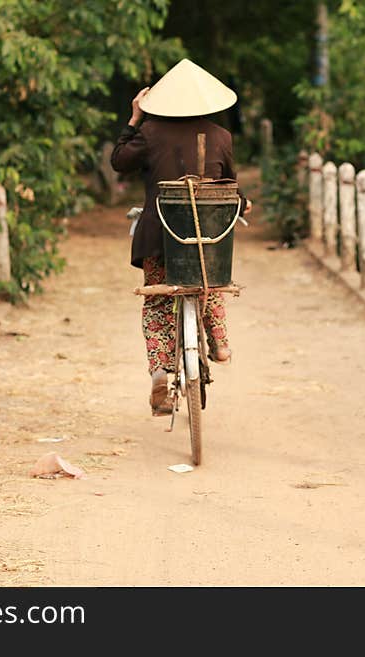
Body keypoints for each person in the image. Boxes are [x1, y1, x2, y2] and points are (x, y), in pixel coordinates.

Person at [111, 58, 252, 416]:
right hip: (209, 236)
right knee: (209, 285)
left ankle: (160, 374)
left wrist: (133, 119)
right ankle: (219, 344)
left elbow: (119, 161)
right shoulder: (221, 136)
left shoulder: (150, 132)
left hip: (159, 236)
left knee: (158, 304)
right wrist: (244, 204)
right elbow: (230, 187)